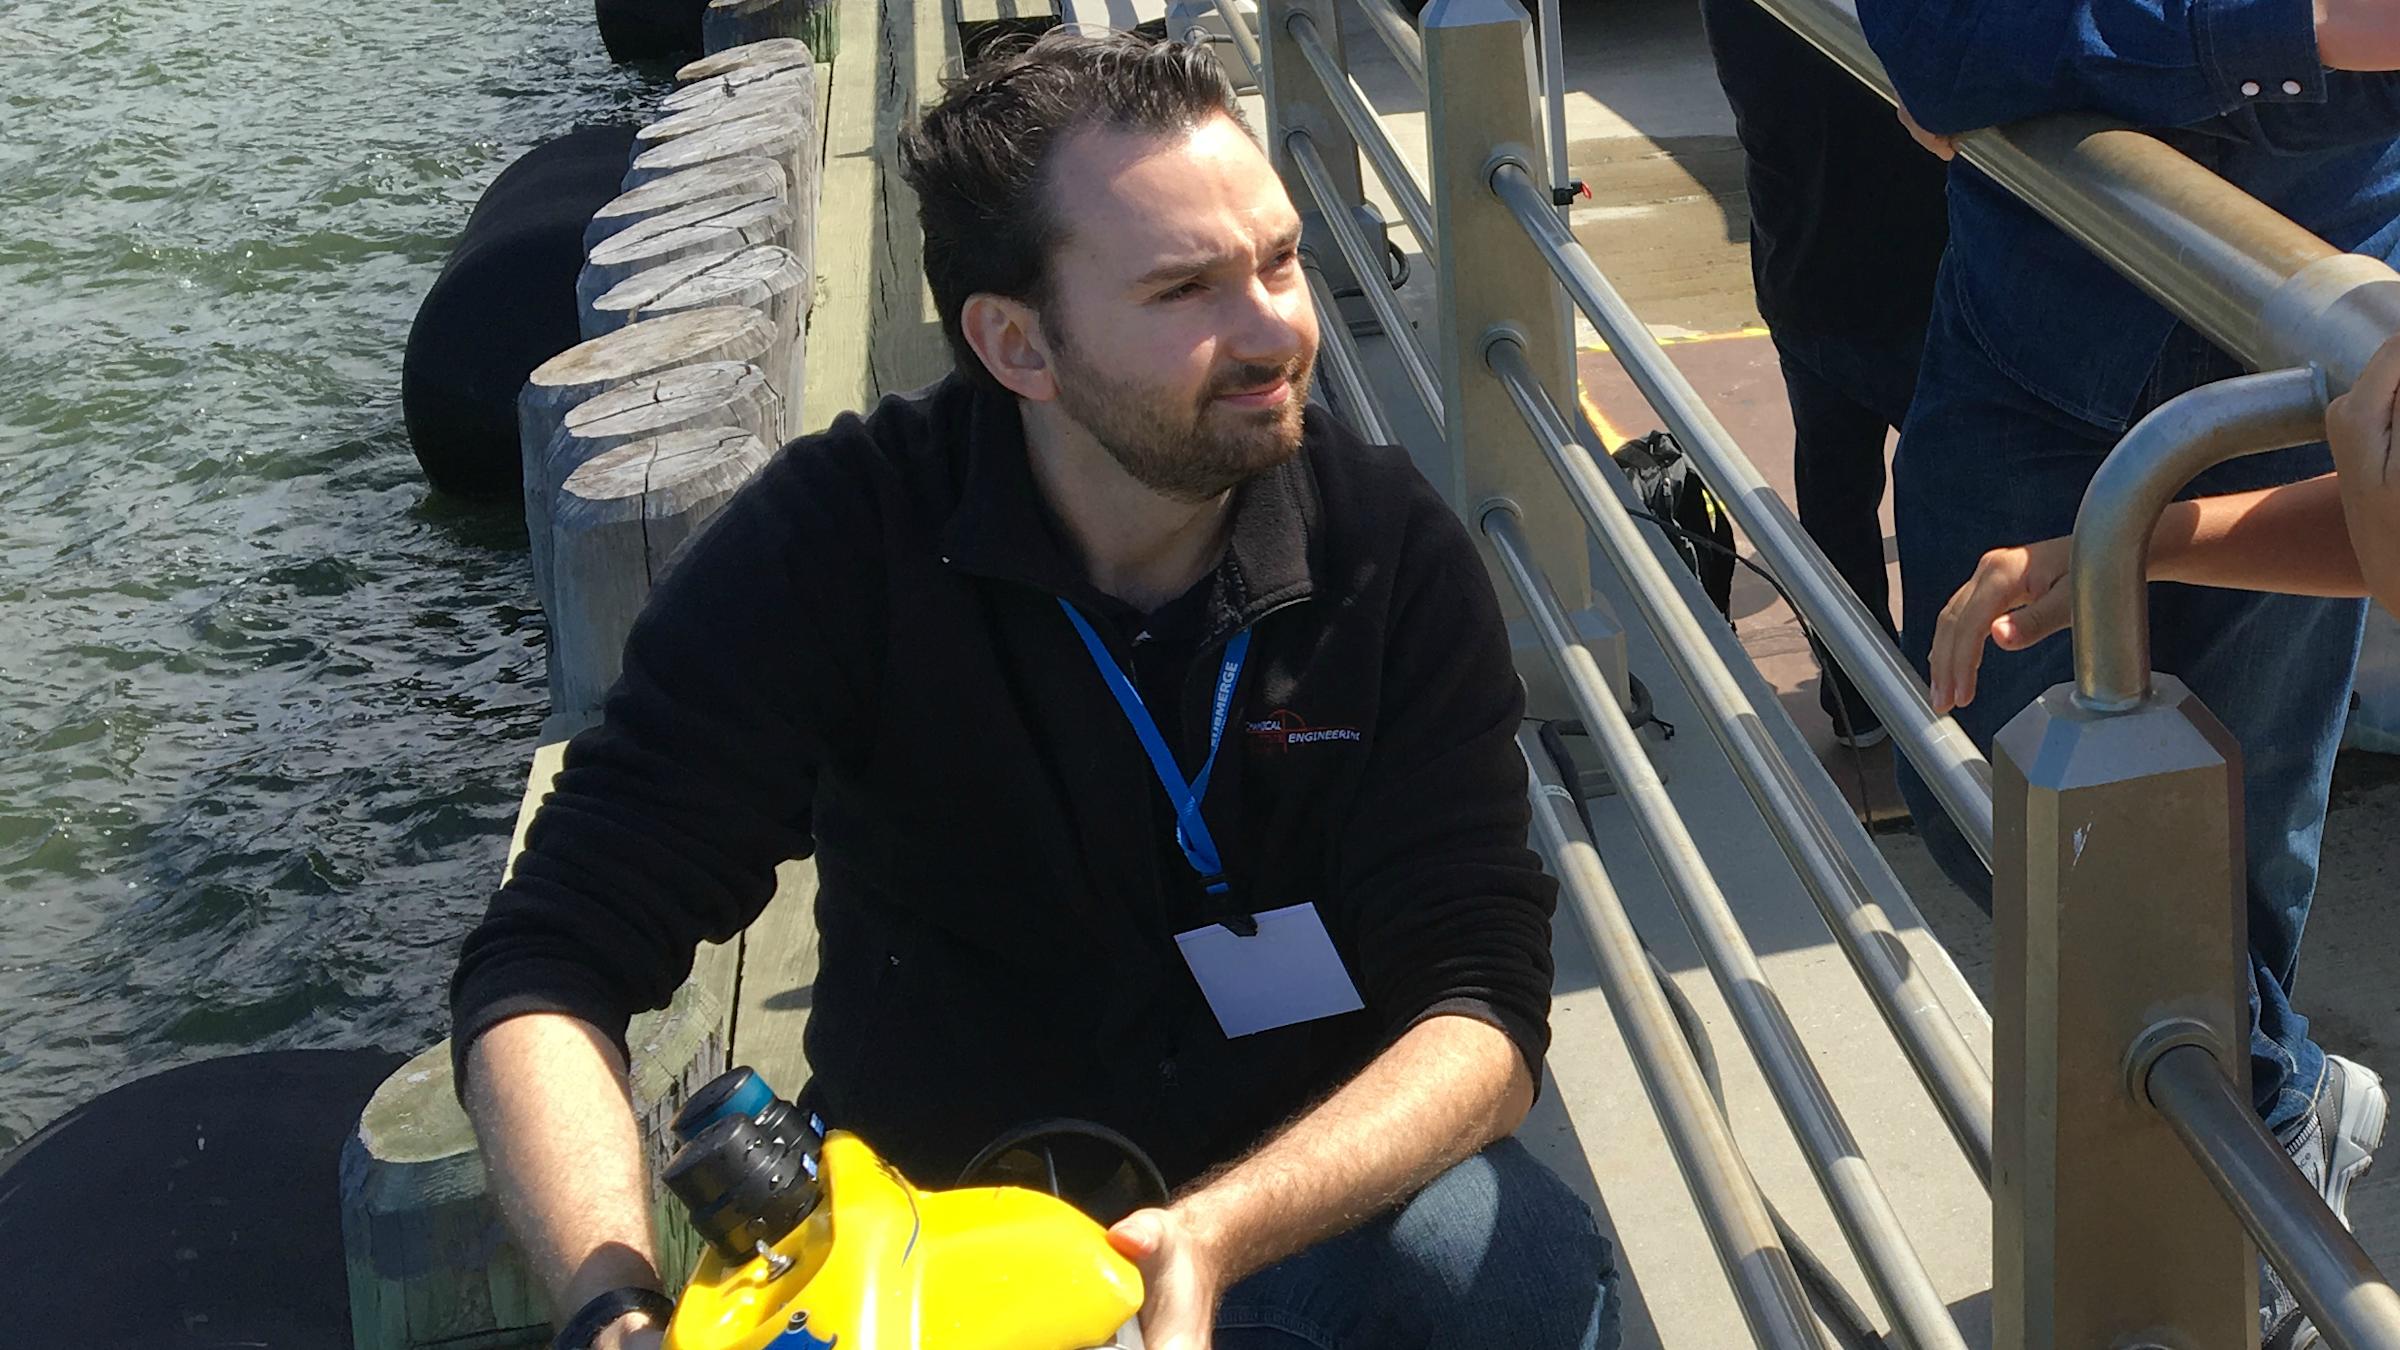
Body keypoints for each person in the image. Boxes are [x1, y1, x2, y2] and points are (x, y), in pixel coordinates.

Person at [447, 31, 1617, 1350]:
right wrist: (611, 1308)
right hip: (944, 1237)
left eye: (1279, 261)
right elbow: (546, 960)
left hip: (1292, 1214)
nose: (1274, 329)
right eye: (1185, 291)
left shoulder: (1386, 551)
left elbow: (1486, 1006)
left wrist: (1213, 1238)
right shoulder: (839, 545)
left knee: (1514, 1268)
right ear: (1017, 345)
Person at [1857, 1, 2400, 1342]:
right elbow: (1940, 40)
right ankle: (2275, 1110)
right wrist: (2304, 25)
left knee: (2244, 834)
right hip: (2047, 333)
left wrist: (2078, 46)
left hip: (2311, 344)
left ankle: (2258, 1131)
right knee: (1984, 791)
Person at [1695, 0, 1950, 748]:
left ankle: (1858, 694)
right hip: (1914, 282)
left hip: (1801, 267)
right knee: (1952, 489)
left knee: (1835, 488)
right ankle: (1952, 693)